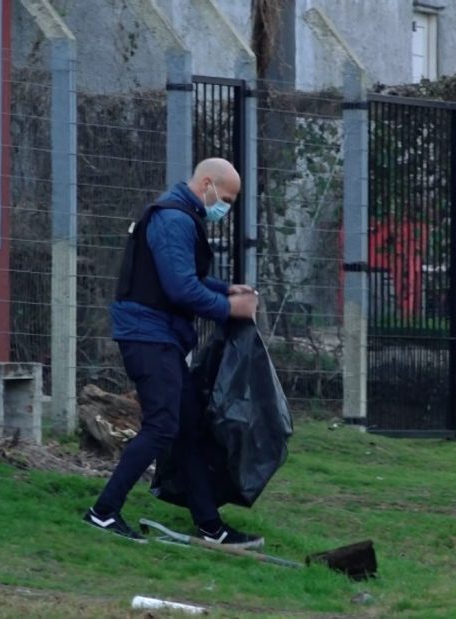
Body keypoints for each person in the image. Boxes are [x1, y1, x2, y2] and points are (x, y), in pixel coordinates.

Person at [83, 157, 263, 548]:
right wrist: (229, 308)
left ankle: (211, 527)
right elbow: (181, 289)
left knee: (188, 427)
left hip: (158, 336)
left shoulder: (179, 216)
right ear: (207, 184)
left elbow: (189, 279)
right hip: (149, 338)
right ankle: (103, 512)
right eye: (227, 198)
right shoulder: (174, 220)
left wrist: (225, 289)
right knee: (163, 425)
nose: (225, 207)